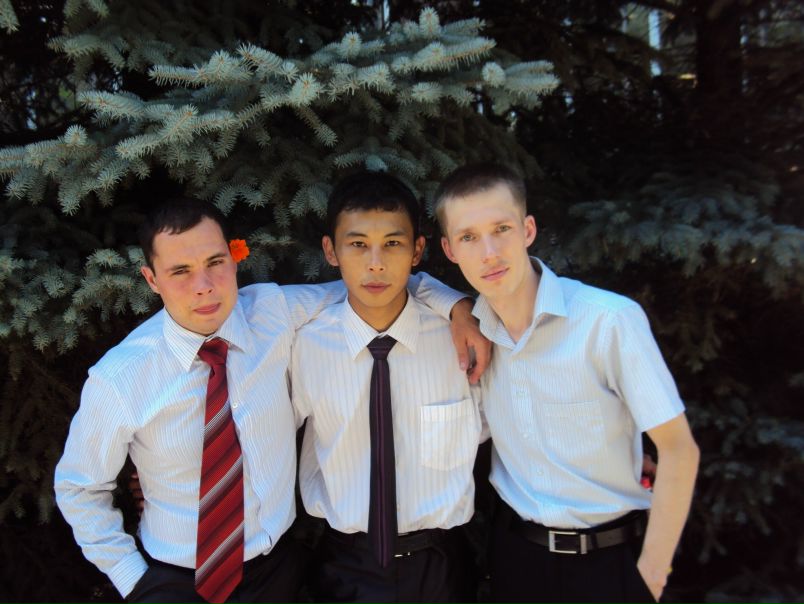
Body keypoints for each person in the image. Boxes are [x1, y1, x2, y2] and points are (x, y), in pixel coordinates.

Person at [54, 197, 487, 604]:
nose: (204, 287)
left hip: (277, 572)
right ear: (152, 279)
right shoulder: (121, 377)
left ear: (233, 258)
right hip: (175, 580)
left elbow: (373, 282)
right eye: (180, 271)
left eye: (215, 263)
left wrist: (458, 307)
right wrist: (136, 580)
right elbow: (78, 488)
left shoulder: (271, 312)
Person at [434, 163, 700, 603]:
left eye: (501, 229)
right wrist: (455, 308)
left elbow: (678, 449)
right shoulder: (475, 334)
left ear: (528, 230)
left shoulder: (608, 321)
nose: (489, 253)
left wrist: (651, 577)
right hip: (516, 561)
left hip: (609, 563)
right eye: (468, 237)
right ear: (449, 249)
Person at [291, 172, 484, 603]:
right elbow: (263, 438)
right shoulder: (306, 346)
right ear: (331, 251)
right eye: (358, 244)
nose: (375, 263)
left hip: (442, 565)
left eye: (393, 243)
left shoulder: (461, 341)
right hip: (346, 564)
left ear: (417, 251)